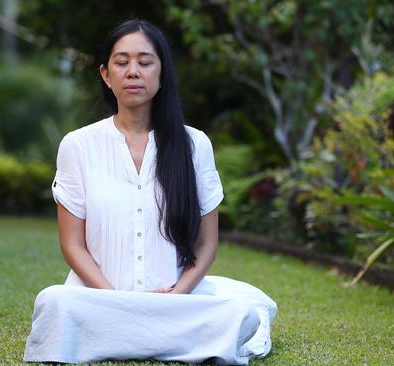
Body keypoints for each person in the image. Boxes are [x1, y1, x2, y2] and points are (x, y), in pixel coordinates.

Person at [23, 19, 277, 364]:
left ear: (162, 72)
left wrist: (177, 296)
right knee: (54, 302)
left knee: (242, 310)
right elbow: (72, 245)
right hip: (99, 301)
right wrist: (116, 301)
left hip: (175, 302)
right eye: (122, 62)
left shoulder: (194, 144)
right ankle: (164, 341)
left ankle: (124, 338)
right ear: (105, 74)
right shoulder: (78, 145)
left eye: (144, 62)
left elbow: (206, 245)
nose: (133, 72)